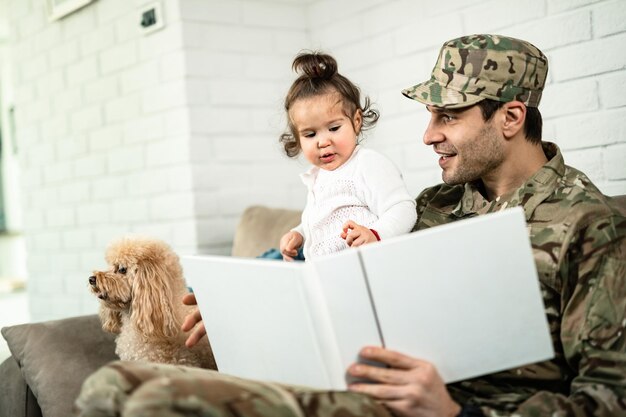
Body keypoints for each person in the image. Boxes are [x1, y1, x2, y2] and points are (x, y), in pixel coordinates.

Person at [75, 34, 626, 417]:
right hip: (363, 386)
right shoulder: (435, 205)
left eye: (449, 115)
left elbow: (610, 398)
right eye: (430, 116)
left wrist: (456, 409)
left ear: (510, 117)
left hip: (451, 408)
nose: (428, 135)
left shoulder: (588, 226)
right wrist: (244, 317)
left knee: (155, 403)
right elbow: (337, 295)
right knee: (115, 385)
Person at [276, 51, 416, 261]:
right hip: (329, 276)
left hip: (368, 268)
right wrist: (299, 234)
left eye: (333, 128)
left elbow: (403, 209)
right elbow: (317, 221)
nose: (323, 142)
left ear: (356, 121)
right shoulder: (317, 177)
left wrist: (376, 235)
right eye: (310, 134)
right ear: (298, 138)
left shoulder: (366, 164)